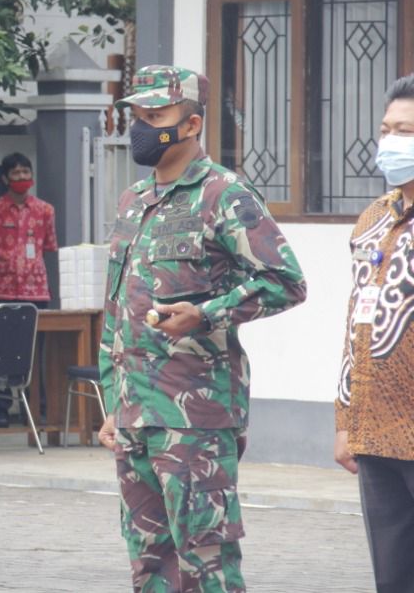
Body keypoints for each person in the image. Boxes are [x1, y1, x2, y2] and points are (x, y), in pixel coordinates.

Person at [97, 65, 306, 593]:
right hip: (135, 414)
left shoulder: (224, 195)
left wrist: (208, 312)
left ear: (191, 125)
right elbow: (115, 310)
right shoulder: (133, 201)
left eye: (156, 116)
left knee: (205, 559)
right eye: (137, 116)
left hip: (196, 417)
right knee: (149, 561)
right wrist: (111, 402)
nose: (143, 126)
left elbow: (285, 281)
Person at [334, 74, 414, 593]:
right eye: (386, 128)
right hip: (377, 429)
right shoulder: (373, 220)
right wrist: (346, 420)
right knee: (394, 573)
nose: (389, 141)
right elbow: (356, 327)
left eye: (404, 130)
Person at [0, 152, 57, 427]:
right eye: (16, 173)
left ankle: (35, 408)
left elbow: (48, 247)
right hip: (1, 288)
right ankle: (0, 409)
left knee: (36, 352)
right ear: (5, 178)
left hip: (36, 291)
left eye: (26, 172)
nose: (22, 178)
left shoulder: (45, 210)